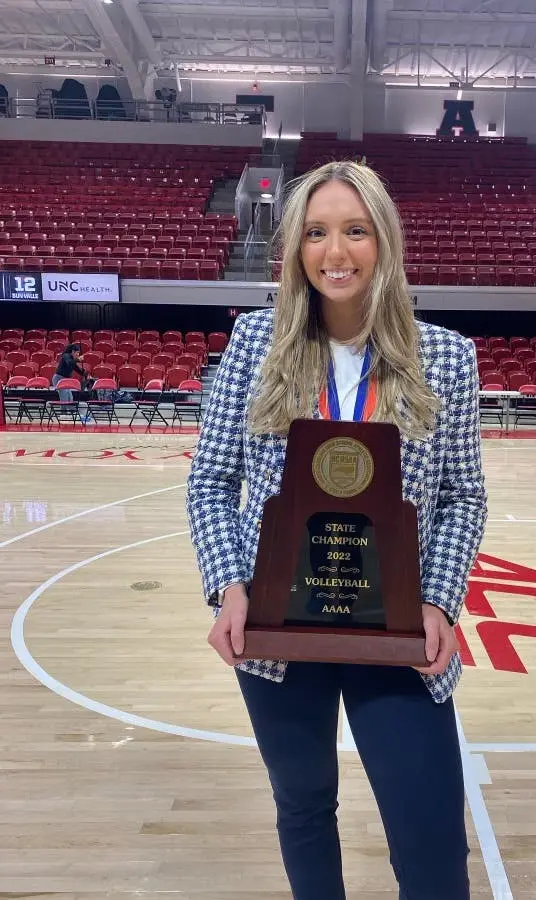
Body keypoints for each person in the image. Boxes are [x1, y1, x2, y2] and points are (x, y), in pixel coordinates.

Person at [186, 161, 488, 900]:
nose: (336, 252)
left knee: (431, 846)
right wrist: (230, 588)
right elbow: (210, 482)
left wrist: (439, 602)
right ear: (294, 249)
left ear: (383, 241)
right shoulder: (255, 342)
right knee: (305, 809)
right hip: (279, 624)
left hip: (397, 628)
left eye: (355, 230)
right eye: (316, 233)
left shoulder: (446, 355)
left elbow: (463, 497)